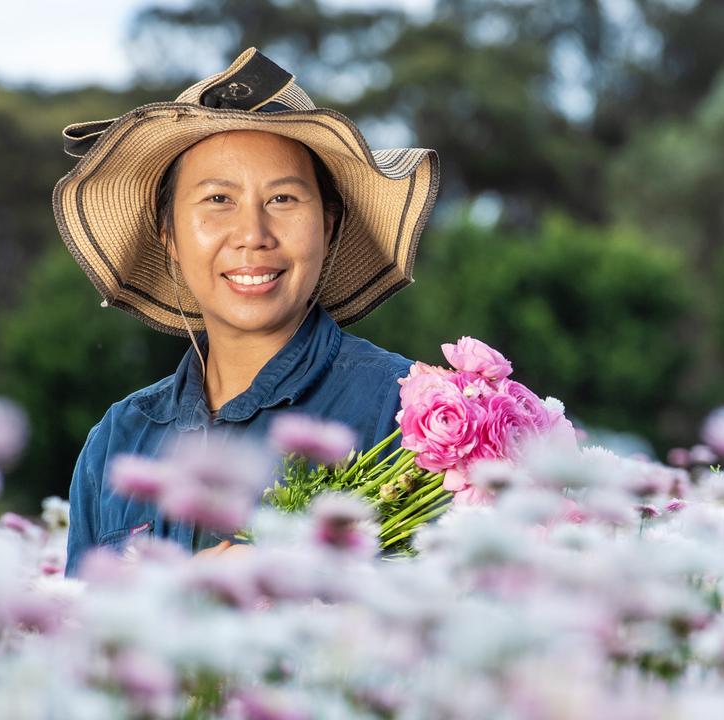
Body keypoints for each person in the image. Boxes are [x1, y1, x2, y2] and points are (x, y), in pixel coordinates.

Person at [53, 47, 440, 576]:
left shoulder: (409, 416)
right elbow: (84, 645)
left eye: (283, 200)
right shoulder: (118, 441)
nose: (253, 236)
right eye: (217, 200)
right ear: (167, 234)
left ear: (328, 226)